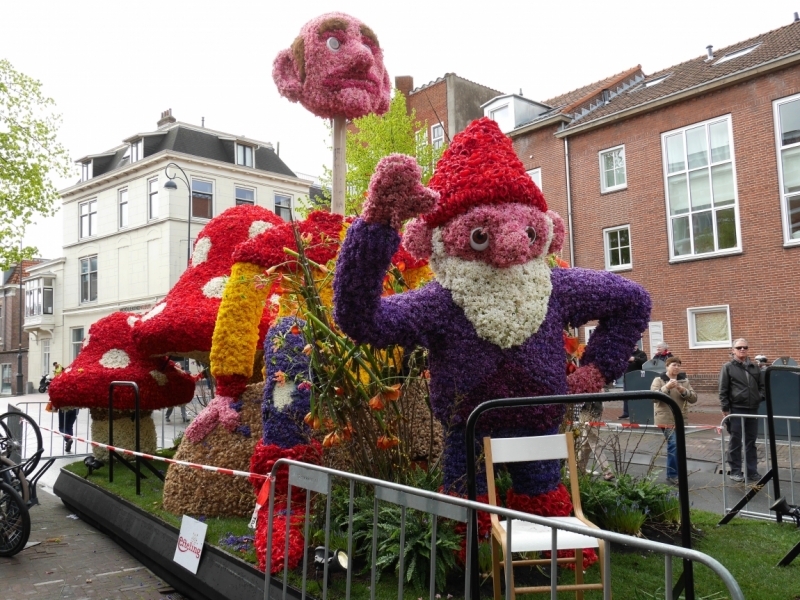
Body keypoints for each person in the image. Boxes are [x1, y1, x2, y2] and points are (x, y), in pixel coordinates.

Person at [719, 338, 765, 483]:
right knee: (735, 441)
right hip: (736, 409)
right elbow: (723, 389)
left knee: (751, 441)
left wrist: (759, 397)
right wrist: (725, 408)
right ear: (733, 350)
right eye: (739, 348)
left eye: (745, 347)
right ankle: (735, 471)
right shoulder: (727, 367)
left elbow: (762, 386)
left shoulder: (754, 367)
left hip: (752, 409)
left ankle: (752, 471)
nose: (742, 350)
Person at [650, 357, 697, 485]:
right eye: (673, 365)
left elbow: (694, 398)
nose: (676, 367)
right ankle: (672, 474)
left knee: (678, 446)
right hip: (665, 418)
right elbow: (653, 398)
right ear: (667, 367)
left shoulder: (684, 381)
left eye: (678, 365)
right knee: (674, 444)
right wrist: (666, 387)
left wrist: (683, 390)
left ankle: (677, 472)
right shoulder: (658, 380)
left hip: (680, 418)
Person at [578, 399, 615, 481]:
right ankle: (607, 471)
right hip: (589, 414)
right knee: (594, 443)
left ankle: (580, 469)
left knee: (585, 444)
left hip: (593, 413)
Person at [619, 346, 648, 419]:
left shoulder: (642, 353)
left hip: (637, 379)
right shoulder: (626, 353)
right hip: (627, 378)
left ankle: (637, 413)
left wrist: (635, 359)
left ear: (637, 346)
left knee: (637, 396)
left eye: (634, 345)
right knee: (626, 396)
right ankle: (626, 413)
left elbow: (644, 362)